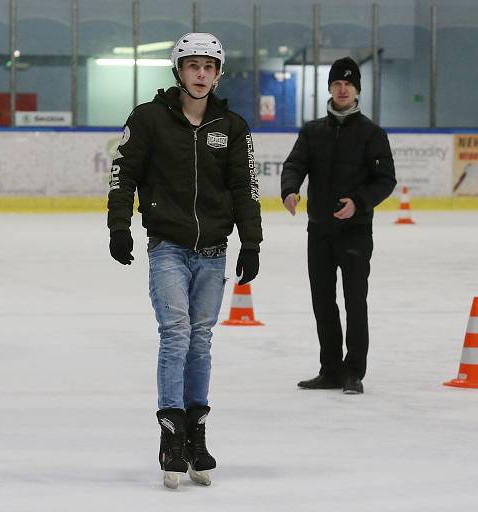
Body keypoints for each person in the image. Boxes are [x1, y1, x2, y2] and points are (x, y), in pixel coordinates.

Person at [107, 33, 262, 488]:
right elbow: (124, 174)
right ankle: (171, 435)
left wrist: (251, 242)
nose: (200, 74)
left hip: (213, 251)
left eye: (208, 67)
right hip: (169, 247)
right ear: (179, 71)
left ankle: (197, 433)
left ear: (218, 74)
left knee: (201, 340)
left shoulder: (232, 127)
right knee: (175, 334)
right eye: (192, 65)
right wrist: (119, 226)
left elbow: (245, 190)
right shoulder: (149, 119)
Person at [280, 57, 396, 395]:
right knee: (323, 301)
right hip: (319, 230)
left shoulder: (372, 134)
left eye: (348, 83)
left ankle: (353, 371)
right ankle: (330, 369)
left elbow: (386, 180)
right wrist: (290, 189)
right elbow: (295, 163)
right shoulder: (313, 131)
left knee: (354, 301)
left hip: (355, 230)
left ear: (357, 89)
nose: (342, 89)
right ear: (329, 88)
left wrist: (358, 202)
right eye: (336, 83)